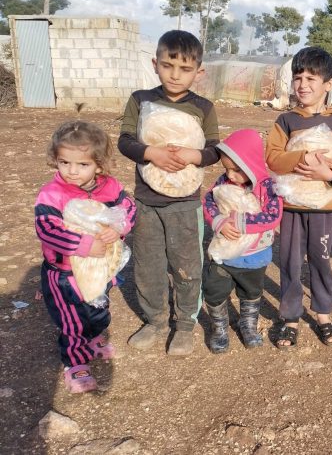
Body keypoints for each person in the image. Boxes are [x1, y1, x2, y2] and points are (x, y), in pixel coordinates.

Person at [118, 30, 219, 356]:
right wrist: (151, 153)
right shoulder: (141, 100)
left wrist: (195, 156)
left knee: (186, 265)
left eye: (185, 68)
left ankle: (185, 325)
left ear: (198, 72)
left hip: (185, 204)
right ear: (155, 64)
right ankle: (155, 322)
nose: (175, 75)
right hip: (147, 201)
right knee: (147, 265)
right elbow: (125, 140)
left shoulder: (203, 107)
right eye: (168, 65)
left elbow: (216, 149)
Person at [265, 46, 332, 348]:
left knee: (321, 259)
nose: (303, 85)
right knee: (291, 261)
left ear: (328, 84)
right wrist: (302, 158)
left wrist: (330, 175)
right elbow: (272, 157)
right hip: (292, 207)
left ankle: (323, 313)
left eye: (311, 78)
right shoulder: (286, 121)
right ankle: (291, 316)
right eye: (298, 77)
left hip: (324, 208)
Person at [35, 120, 136, 393]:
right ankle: (75, 362)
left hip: (100, 267)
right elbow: (46, 229)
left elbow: (128, 207)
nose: (72, 171)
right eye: (64, 162)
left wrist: (118, 228)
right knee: (72, 319)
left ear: (99, 165)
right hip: (64, 272)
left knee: (98, 308)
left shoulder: (110, 188)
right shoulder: (53, 194)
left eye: (82, 165)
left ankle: (95, 336)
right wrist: (82, 244)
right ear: (55, 160)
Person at [202, 129, 283, 352]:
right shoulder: (223, 182)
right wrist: (218, 221)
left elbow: (272, 216)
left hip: (254, 256)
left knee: (251, 292)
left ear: (251, 164)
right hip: (225, 254)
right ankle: (219, 327)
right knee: (214, 289)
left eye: (237, 170)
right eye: (226, 169)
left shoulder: (267, 187)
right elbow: (208, 201)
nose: (230, 175)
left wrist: (241, 221)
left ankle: (247, 324)